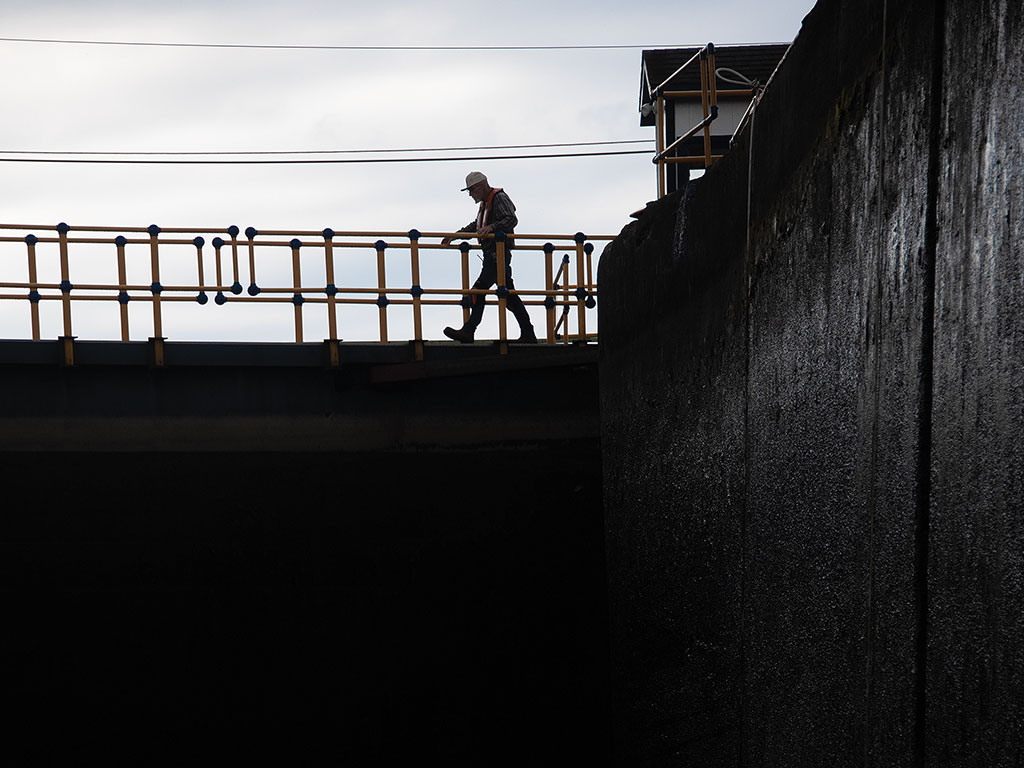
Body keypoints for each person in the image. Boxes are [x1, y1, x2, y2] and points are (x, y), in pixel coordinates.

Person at [441, 171, 538, 343]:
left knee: (479, 290)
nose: (470, 194)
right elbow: (476, 226)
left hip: (497, 253)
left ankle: (469, 330)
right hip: (493, 253)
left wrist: (492, 227)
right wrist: (454, 236)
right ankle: (528, 333)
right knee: (509, 294)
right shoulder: (486, 204)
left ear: (481, 186)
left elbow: (511, 219)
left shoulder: (498, 198)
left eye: (471, 190)